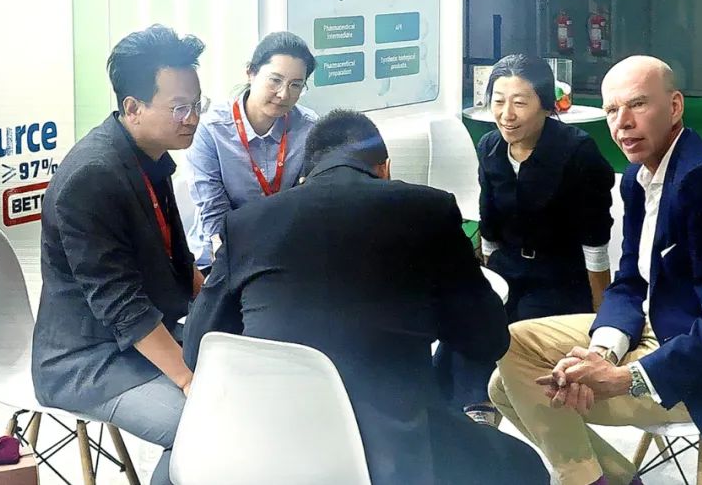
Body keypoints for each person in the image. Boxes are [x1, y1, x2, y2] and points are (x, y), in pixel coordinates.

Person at [488, 55, 702, 485]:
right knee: (511, 353)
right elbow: (630, 282)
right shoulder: (638, 177)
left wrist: (623, 378)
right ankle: (611, 480)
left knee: (517, 388)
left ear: (675, 106)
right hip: (663, 323)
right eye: (612, 110)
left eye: (637, 104)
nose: (622, 123)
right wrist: (602, 352)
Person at [182, 110, 551, 485]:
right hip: (397, 457)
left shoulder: (245, 223)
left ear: (305, 174)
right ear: (385, 168)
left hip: (267, 451)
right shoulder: (428, 209)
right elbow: (488, 339)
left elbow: (197, 348)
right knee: (526, 465)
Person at [32, 25, 208, 485]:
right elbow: (120, 304)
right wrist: (187, 379)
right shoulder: (92, 177)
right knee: (203, 429)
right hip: (87, 358)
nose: (192, 118)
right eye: (179, 107)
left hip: (140, 336)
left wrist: (214, 302)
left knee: (243, 387)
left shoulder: (149, 155)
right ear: (133, 107)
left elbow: (177, 256)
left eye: (197, 104)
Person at [434, 53, 614, 426]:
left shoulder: (577, 151)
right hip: (508, 267)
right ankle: (456, 415)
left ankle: (488, 410)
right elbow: (489, 221)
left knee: (516, 336)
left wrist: (602, 313)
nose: (506, 114)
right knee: (466, 321)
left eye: (519, 102)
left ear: (546, 105)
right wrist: (486, 279)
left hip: (560, 276)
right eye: (498, 101)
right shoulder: (490, 147)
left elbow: (595, 239)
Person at [185, 31, 318, 268]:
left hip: (282, 254)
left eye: (296, 85)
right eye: (275, 80)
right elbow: (214, 215)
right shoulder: (210, 130)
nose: (283, 94)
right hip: (220, 256)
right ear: (251, 72)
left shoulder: (309, 128)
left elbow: (308, 201)